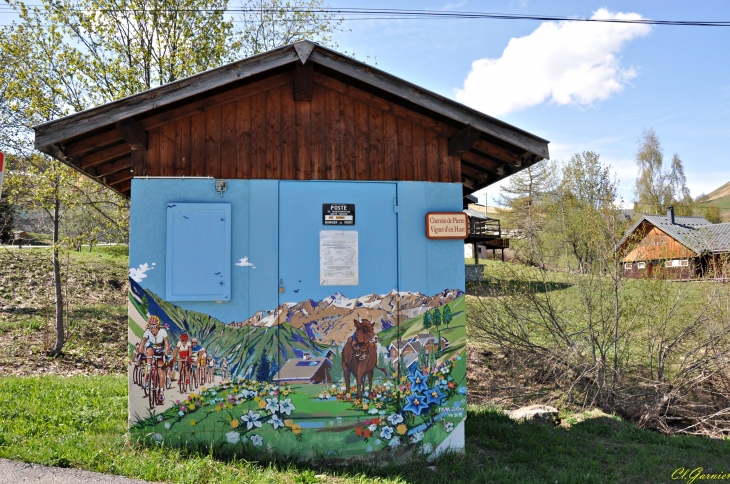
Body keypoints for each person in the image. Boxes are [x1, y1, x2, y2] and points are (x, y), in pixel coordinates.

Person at [138, 315, 169, 405]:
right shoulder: (147, 332)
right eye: (151, 327)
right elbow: (142, 344)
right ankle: (148, 371)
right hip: (151, 349)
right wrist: (140, 353)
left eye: (154, 327)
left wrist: (165, 355)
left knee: (161, 370)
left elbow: (167, 345)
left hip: (161, 350)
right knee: (149, 351)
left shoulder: (163, 332)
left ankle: (161, 392)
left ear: (158, 326)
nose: (153, 329)